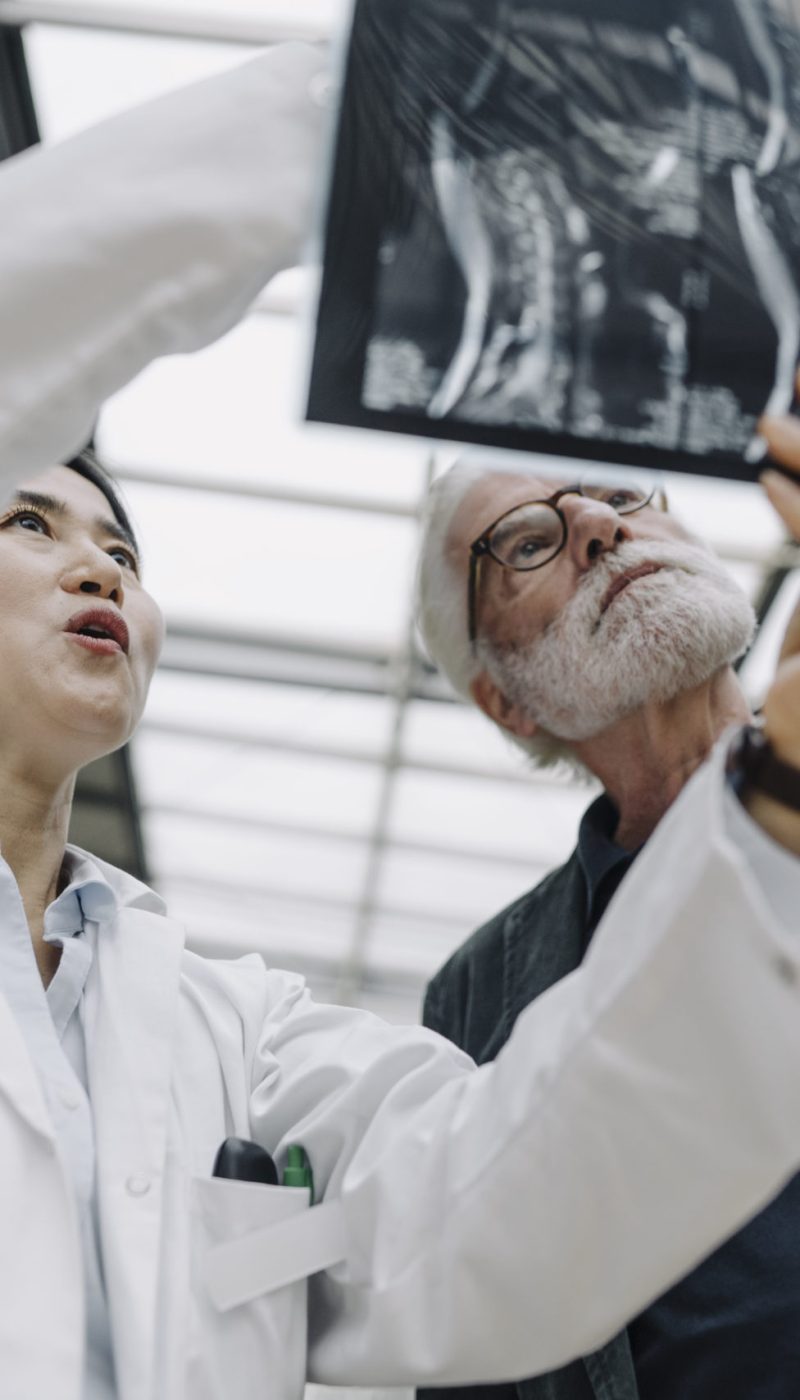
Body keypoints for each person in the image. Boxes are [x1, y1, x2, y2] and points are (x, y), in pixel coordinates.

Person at [2, 45, 800, 1400]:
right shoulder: (480, 975)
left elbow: (504, 1209)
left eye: (125, 553)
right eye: (28, 521)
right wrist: (391, 97)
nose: (102, 571)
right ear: (492, 690)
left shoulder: (236, 1033)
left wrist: (782, 815)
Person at [416, 443, 800, 1400]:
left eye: (624, 493)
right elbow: (465, 1336)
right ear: (508, 700)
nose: (599, 524)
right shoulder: (479, 988)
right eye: (529, 540)